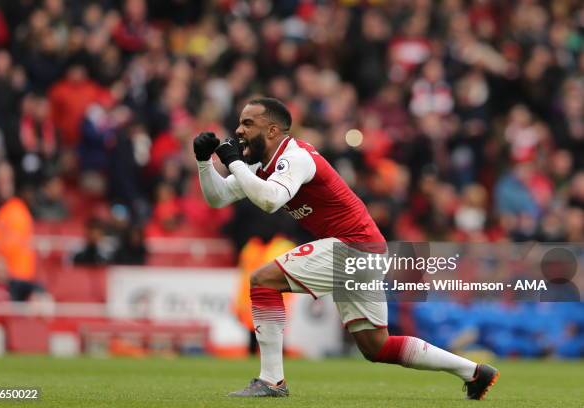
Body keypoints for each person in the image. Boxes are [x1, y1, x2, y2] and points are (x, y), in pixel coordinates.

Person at [194, 97, 498, 399]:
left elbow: (270, 200)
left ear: (273, 130)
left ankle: (271, 381)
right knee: (376, 346)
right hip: (366, 250)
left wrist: (233, 161)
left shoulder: (295, 156)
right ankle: (473, 371)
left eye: (248, 123)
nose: (239, 129)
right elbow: (217, 198)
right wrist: (204, 162)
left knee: (263, 281)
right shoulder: (261, 164)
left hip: (352, 247)